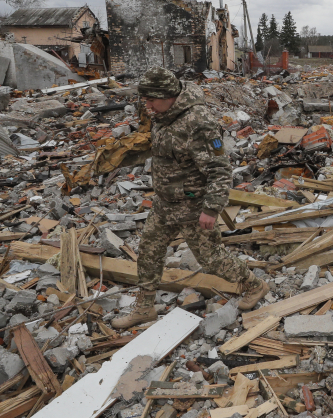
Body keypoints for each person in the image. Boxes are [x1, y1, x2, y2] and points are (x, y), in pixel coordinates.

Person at [112, 67, 270, 330]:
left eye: (152, 100)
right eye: (146, 100)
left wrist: (211, 208)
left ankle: (254, 285)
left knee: (212, 259)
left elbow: (220, 169)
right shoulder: (164, 114)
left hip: (192, 206)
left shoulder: (199, 123)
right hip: (165, 203)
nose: (148, 106)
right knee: (149, 251)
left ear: (168, 95)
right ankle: (145, 307)